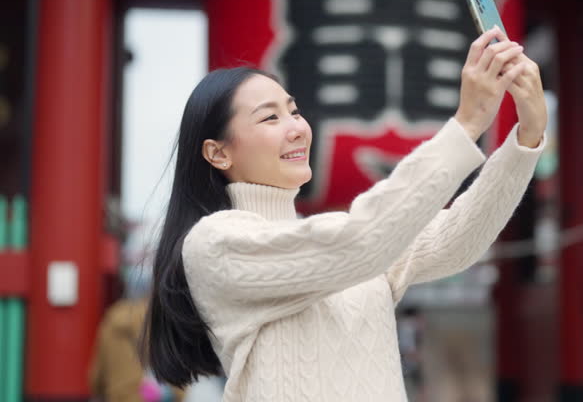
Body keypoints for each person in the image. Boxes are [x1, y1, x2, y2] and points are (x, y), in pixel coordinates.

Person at [141, 27, 547, 401]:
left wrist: (527, 139)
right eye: (270, 117)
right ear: (218, 153)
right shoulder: (215, 245)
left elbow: (455, 240)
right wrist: (466, 124)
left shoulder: (335, 238)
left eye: (294, 111)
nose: (297, 128)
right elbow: (360, 242)